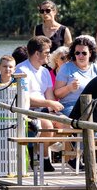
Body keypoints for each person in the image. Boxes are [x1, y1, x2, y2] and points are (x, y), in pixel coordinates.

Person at [14, 36, 65, 171]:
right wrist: (49, 103)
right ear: (37, 53)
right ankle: (44, 159)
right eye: (47, 52)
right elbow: (25, 98)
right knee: (47, 125)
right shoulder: (21, 70)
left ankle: (40, 148)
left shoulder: (45, 72)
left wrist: (53, 107)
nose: (49, 55)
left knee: (66, 123)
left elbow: (49, 95)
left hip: (42, 110)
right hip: (27, 110)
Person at [54, 36, 97, 115]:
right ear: (74, 54)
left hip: (94, 106)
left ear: (90, 53)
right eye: (77, 53)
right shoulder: (66, 67)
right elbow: (57, 94)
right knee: (87, 118)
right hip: (71, 106)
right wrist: (69, 88)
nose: (80, 56)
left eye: (84, 53)